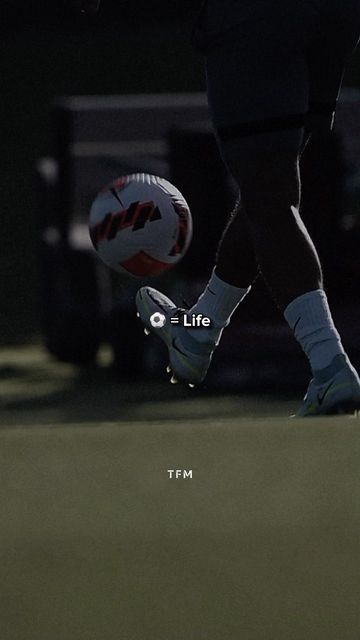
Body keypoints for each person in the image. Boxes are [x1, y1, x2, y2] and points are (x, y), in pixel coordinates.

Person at [138, 0, 360, 416]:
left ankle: (330, 365)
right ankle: (199, 331)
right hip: (336, 12)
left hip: (256, 13)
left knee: (270, 196)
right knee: (270, 187)